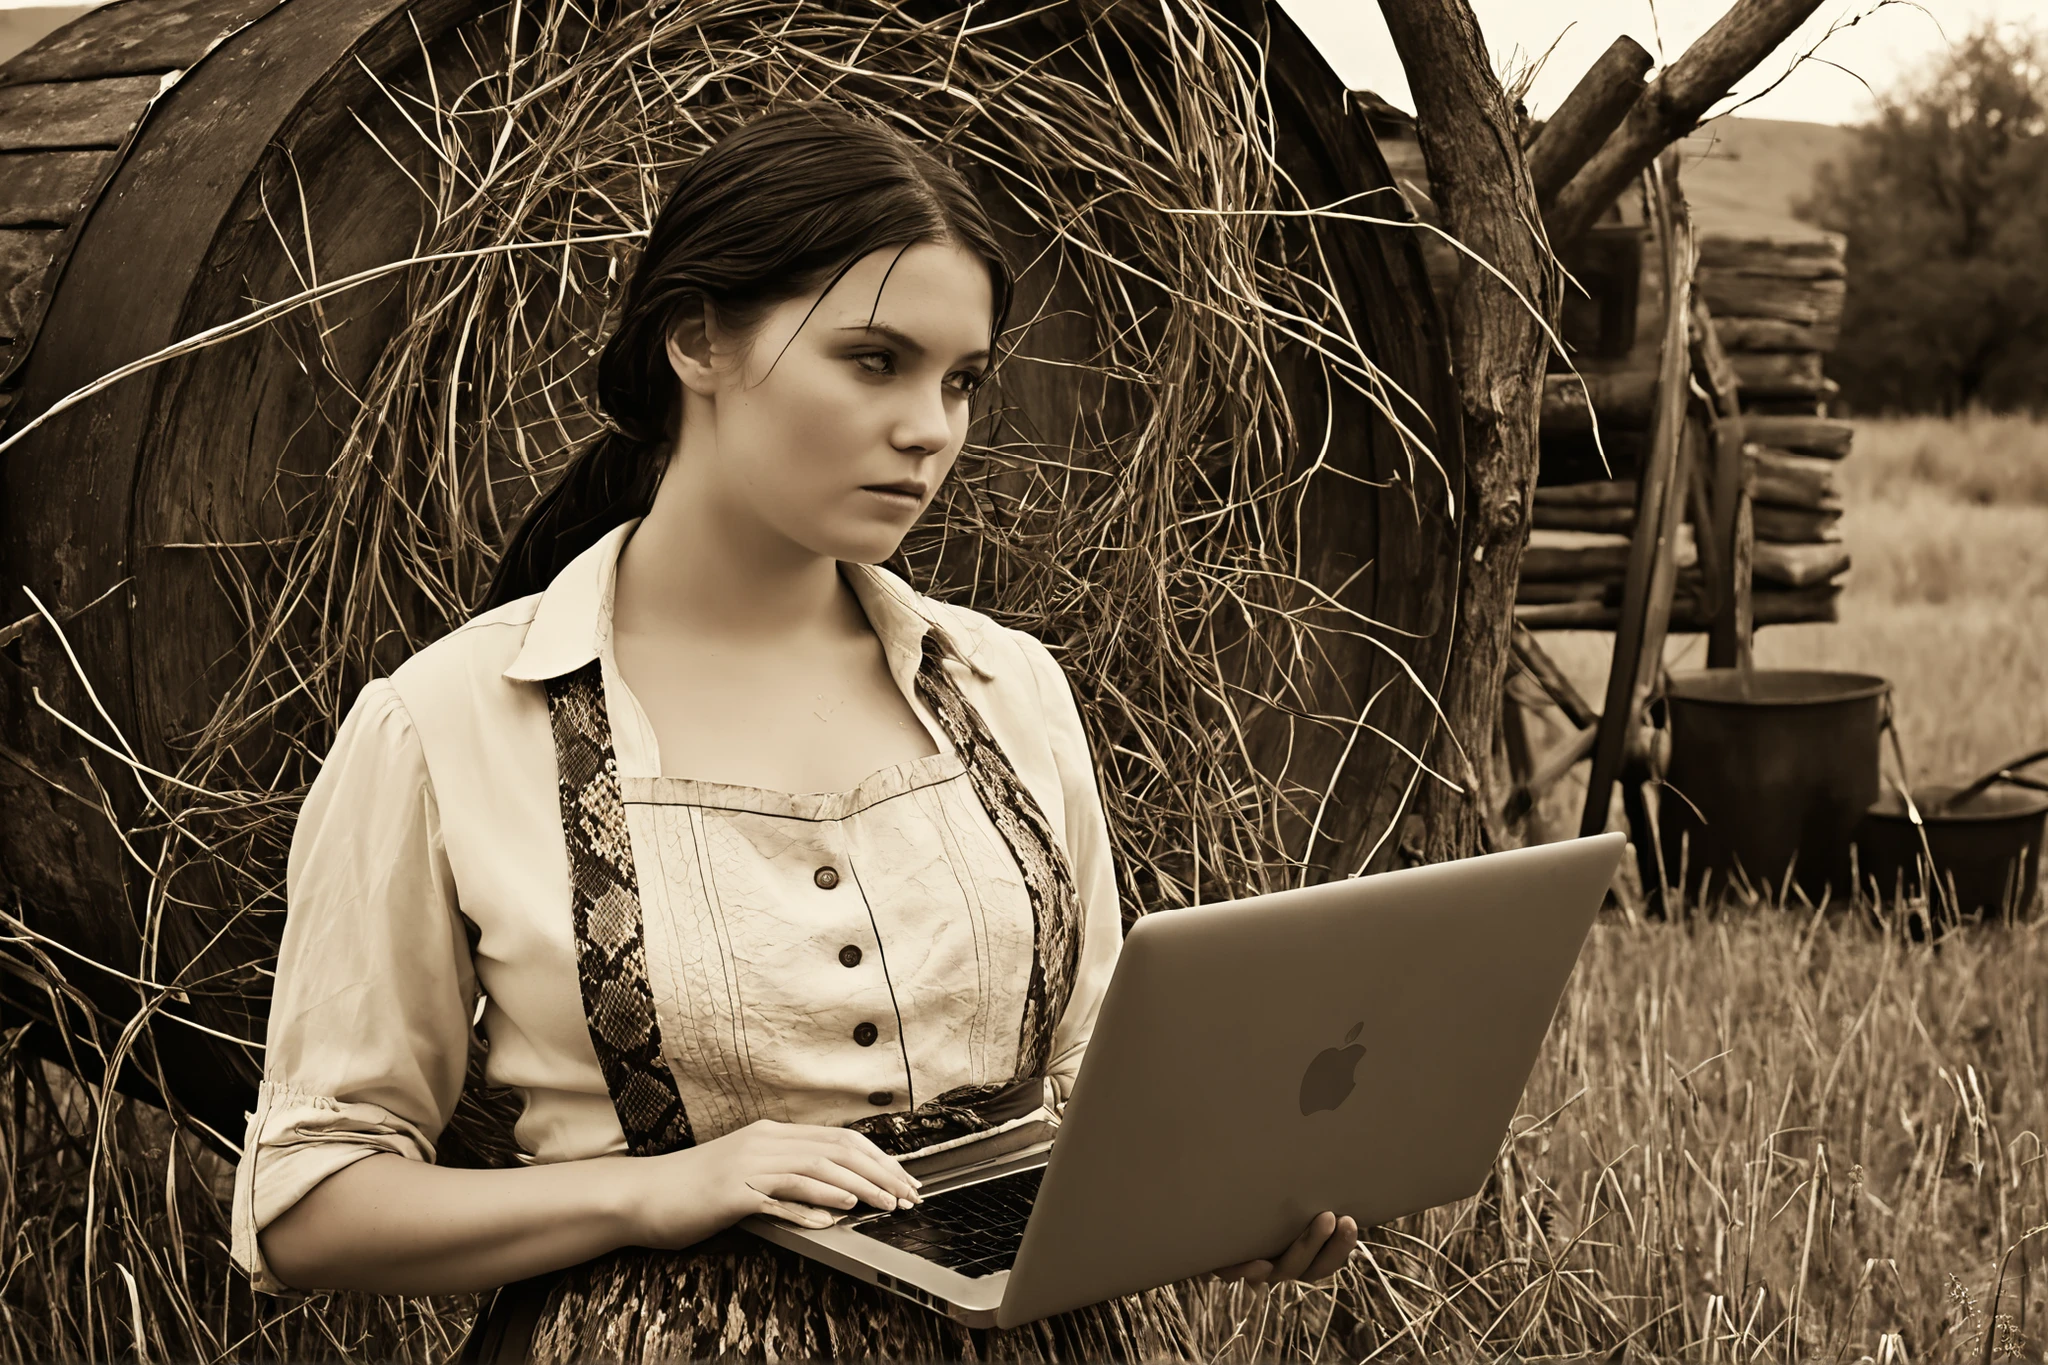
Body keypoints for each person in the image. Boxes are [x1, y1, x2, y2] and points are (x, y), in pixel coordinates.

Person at [230, 102, 1358, 1358]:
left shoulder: (1008, 689)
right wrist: (654, 1191)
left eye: (961, 380)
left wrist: (1222, 1200)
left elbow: (1097, 1084)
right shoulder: (445, 724)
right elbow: (308, 1205)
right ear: (696, 340)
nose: (930, 428)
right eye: (874, 361)